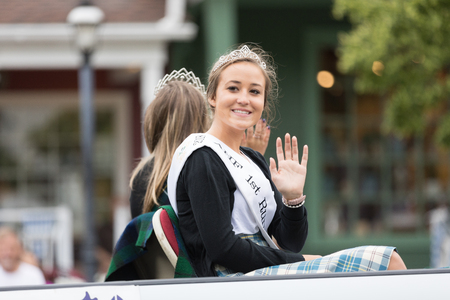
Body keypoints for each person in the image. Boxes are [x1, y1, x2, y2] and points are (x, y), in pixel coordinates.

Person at [167, 44, 407, 277]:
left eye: (254, 91)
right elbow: (223, 249)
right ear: (211, 96)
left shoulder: (252, 159)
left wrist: (293, 199)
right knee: (388, 263)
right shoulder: (203, 156)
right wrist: (301, 262)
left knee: (387, 263)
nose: (244, 99)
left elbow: (290, 243)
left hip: (263, 271)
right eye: (233, 88)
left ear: (263, 102)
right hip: (232, 280)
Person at [129, 68, 270, 219]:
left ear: (153, 121)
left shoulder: (140, 176)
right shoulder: (205, 169)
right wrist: (247, 165)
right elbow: (240, 222)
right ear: (203, 119)